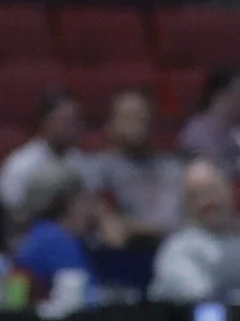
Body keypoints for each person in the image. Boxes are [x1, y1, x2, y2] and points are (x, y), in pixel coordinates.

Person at [82, 87, 184, 244]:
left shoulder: (172, 168)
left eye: (142, 116)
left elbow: (175, 223)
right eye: (128, 117)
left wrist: (130, 227)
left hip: (172, 249)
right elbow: (105, 226)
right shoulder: (96, 169)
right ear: (110, 126)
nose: (137, 124)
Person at [0, 91, 85, 233]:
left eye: (75, 121)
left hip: (75, 237)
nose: (73, 128)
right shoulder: (21, 164)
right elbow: (13, 210)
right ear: (46, 122)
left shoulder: (79, 160)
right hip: (30, 235)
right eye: (66, 121)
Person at [151, 159, 240, 303]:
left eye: (213, 190)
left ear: (229, 191)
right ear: (186, 204)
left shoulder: (236, 241)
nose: (208, 201)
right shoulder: (176, 250)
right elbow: (202, 298)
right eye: (196, 195)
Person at [179, 71, 240, 172]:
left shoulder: (232, 130)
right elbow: (209, 171)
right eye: (237, 93)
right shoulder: (197, 130)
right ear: (219, 95)